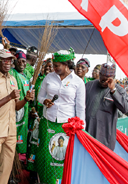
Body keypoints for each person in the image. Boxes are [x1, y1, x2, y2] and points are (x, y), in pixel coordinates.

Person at [0, 49, 33, 184]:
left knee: (6, 168)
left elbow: (16, 106)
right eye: (5, 60)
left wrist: (26, 99)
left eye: (10, 60)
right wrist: (9, 97)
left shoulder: (12, 79)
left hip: (11, 131)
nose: (8, 63)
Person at [36, 48, 85, 184]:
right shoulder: (48, 77)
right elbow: (40, 96)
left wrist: (81, 128)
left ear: (66, 64)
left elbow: (80, 107)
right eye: (53, 65)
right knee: (46, 157)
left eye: (57, 65)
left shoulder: (78, 82)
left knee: (62, 158)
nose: (54, 68)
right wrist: (44, 101)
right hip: (48, 122)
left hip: (67, 126)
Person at [85, 63, 128, 150]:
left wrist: (113, 91)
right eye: (103, 79)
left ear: (113, 78)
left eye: (108, 80)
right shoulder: (89, 86)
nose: (105, 82)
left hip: (105, 139)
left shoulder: (119, 90)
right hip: (87, 134)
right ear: (100, 74)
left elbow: (126, 108)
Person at [10, 50, 34, 154]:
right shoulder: (12, 73)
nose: (21, 63)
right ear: (14, 62)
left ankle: (18, 161)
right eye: (18, 61)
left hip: (25, 110)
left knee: (22, 137)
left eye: (23, 61)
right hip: (15, 108)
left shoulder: (26, 76)